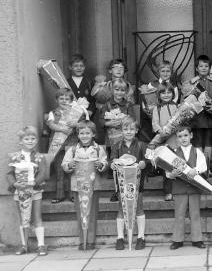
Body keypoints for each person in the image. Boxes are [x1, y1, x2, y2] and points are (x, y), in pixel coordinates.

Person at [62, 120, 108, 250]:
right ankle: (82, 241)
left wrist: (101, 165)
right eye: (82, 133)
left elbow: (105, 163)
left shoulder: (98, 149)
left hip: (94, 186)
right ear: (78, 135)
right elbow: (64, 164)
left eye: (88, 133)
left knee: (92, 213)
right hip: (78, 187)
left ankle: (91, 240)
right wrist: (69, 165)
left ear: (93, 134)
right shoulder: (72, 150)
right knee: (80, 213)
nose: (84, 136)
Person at [7, 126, 49, 256]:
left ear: (36, 140)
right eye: (27, 139)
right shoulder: (14, 157)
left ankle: (41, 245)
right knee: (23, 218)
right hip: (19, 191)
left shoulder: (39, 157)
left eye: (33, 138)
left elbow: (43, 173)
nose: (30, 141)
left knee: (37, 217)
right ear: (21, 141)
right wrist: (14, 184)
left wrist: (34, 182)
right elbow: (10, 173)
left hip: (35, 191)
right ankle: (24, 245)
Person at [167, 125, 207, 250]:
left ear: (191, 135)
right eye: (180, 136)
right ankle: (177, 240)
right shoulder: (173, 153)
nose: (183, 138)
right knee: (179, 214)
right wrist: (172, 174)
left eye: (185, 135)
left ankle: (197, 239)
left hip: (194, 187)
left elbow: (203, 166)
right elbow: (167, 172)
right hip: (179, 188)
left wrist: (196, 170)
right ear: (176, 139)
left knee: (195, 214)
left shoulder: (197, 152)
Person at [111, 117, 147, 250]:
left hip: (137, 184)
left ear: (136, 130)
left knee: (139, 208)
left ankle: (141, 237)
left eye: (132, 129)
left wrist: (144, 163)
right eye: (125, 129)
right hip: (122, 184)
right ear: (121, 131)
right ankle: (120, 237)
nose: (129, 131)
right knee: (122, 209)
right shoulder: (116, 145)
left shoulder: (142, 145)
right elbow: (112, 160)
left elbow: (147, 160)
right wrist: (113, 164)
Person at [189, 54, 212, 175]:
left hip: (210, 118)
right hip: (197, 118)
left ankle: (207, 168)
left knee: (208, 142)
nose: (203, 68)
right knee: (197, 142)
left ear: (209, 68)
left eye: (206, 66)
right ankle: (199, 167)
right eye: (201, 66)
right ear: (196, 68)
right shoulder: (192, 82)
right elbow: (188, 97)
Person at [47, 87, 80, 203]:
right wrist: (61, 129)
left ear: (71, 101)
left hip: (71, 143)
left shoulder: (75, 113)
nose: (64, 101)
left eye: (67, 99)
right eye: (61, 98)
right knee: (59, 170)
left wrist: (76, 124)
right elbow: (51, 125)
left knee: (72, 169)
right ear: (56, 100)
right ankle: (59, 194)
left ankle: (72, 194)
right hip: (57, 144)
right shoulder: (53, 113)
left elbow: (83, 125)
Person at [150, 82, 179, 201]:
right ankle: (168, 192)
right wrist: (160, 131)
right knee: (166, 166)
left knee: (176, 165)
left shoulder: (177, 107)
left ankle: (178, 190)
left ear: (173, 93)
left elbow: (180, 121)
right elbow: (154, 123)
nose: (166, 95)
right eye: (163, 93)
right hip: (163, 140)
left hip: (175, 140)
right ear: (159, 95)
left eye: (169, 92)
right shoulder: (156, 108)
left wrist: (175, 128)